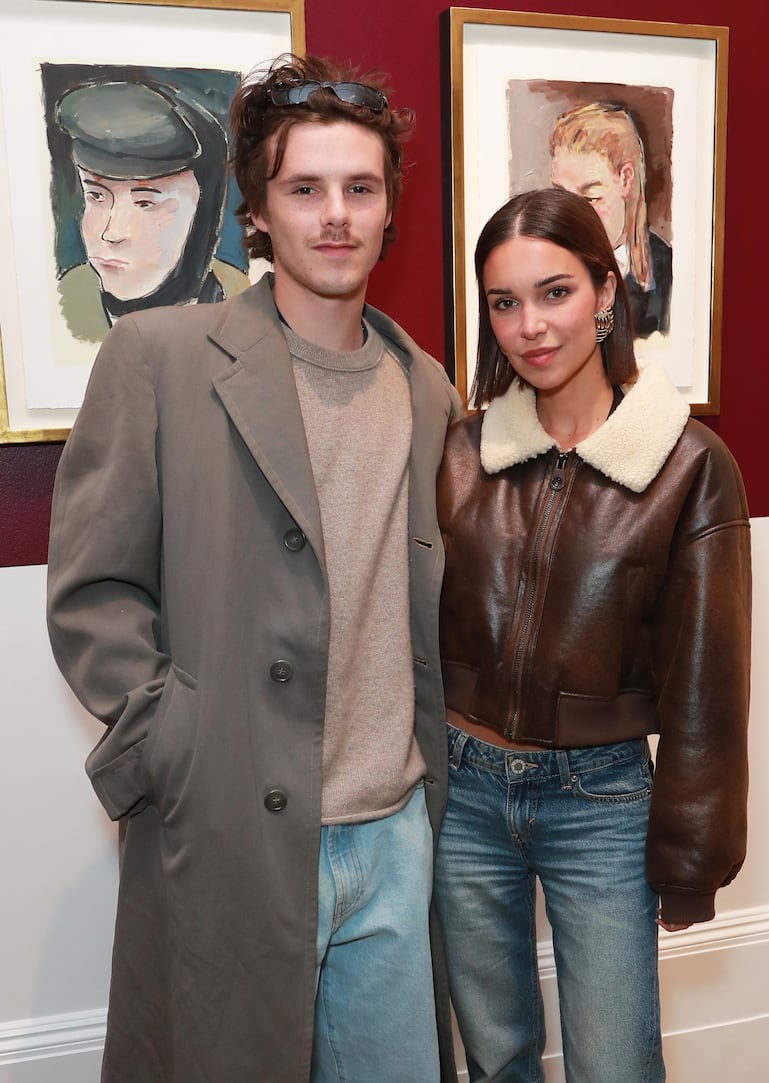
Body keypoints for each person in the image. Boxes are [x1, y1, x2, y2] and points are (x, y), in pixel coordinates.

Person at [47, 53, 463, 1083]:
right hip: (230, 834)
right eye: (304, 189)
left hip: (394, 837)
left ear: (386, 210)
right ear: (258, 212)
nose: (335, 215)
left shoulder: (426, 390)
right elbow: (92, 593)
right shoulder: (160, 360)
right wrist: (174, 746)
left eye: (359, 189)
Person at [434, 187, 750, 1082]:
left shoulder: (688, 467)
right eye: (505, 302)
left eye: (555, 292)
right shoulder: (462, 453)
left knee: (615, 1062)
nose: (530, 325)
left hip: (601, 802)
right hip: (465, 795)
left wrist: (693, 860)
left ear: (607, 291)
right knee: (494, 1057)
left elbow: (708, 685)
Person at [55, 78, 249, 342]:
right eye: (97, 196)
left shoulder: (243, 304)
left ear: (202, 209)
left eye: (145, 203)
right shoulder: (64, 308)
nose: (111, 233)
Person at [550, 100, 672, 338]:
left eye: (590, 198)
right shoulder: (545, 265)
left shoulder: (666, 271)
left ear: (626, 180)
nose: (573, 218)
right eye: (562, 197)